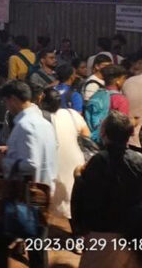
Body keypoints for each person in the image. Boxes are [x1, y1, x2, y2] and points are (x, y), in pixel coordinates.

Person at [71, 112, 142, 263]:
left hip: (101, 235)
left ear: (104, 133)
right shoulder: (141, 162)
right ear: (130, 134)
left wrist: (78, 176)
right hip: (130, 237)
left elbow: (85, 199)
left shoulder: (98, 161)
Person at [0, 80, 57, 268]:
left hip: (25, 196)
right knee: (38, 247)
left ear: (12, 99)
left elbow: (31, 163)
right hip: (43, 192)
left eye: (6, 101)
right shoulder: (43, 123)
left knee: (0, 240)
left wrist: (4, 163)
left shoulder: (25, 125)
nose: (6, 106)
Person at [40, 87, 88, 220]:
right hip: (74, 159)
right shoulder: (72, 113)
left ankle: (41, 233)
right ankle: (77, 233)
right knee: (72, 195)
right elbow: (86, 134)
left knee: (47, 196)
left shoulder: (41, 117)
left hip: (53, 160)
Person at [85, 65, 129, 142]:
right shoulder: (120, 99)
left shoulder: (97, 94)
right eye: (123, 78)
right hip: (112, 143)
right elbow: (123, 126)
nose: (124, 81)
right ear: (117, 81)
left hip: (94, 139)